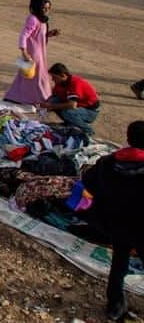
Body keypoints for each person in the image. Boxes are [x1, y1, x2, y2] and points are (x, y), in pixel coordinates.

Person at [81, 120, 144, 322]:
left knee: (119, 262)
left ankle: (115, 305)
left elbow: (88, 182)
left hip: (115, 223)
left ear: (128, 139)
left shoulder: (108, 162)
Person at [5, 0, 59, 104]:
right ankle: (42, 98)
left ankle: (17, 96)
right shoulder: (33, 19)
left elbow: (38, 35)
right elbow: (24, 35)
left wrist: (49, 34)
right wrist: (24, 51)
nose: (46, 10)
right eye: (43, 8)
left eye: (48, 8)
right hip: (33, 53)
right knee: (37, 75)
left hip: (39, 51)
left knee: (26, 76)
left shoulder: (42, 20)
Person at [36, 63, 101, 134]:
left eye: (54, 77)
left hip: (90, 111)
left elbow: (72, 105)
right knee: (53, 101)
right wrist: (44, 104)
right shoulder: (60, 82)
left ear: (63, 75)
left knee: (67, 113)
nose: (52, 79)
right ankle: (70, 123)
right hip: (79, 106)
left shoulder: (75, 83)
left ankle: (87, 130)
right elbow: (54, 96)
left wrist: (50, 106)